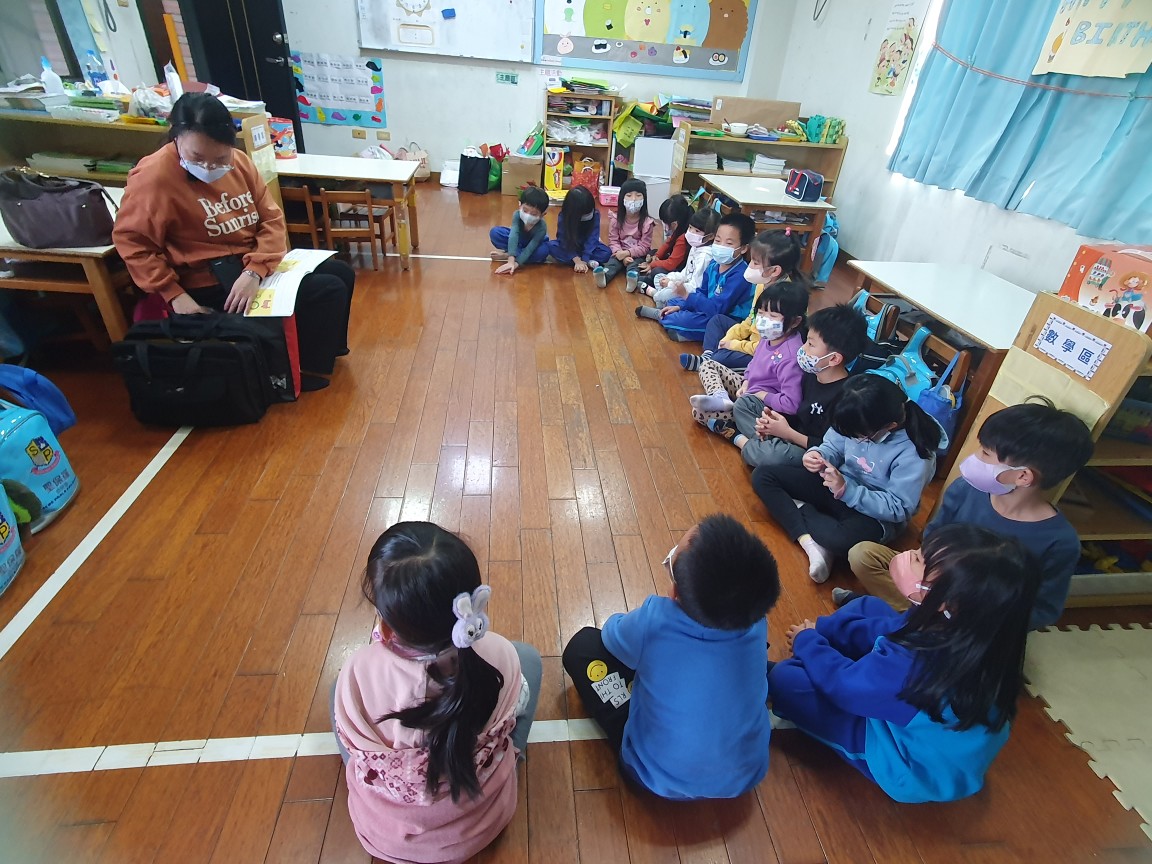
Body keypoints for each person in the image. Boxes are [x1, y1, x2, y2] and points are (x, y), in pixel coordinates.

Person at [770, 524, 1040, 803]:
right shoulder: (969, 630)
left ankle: (814, 673)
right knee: (869, 607)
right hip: (925, 722)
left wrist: (808, 643)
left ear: (947, 601)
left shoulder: (918, 665)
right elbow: (895, 629)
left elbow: (844, 688)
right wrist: (823, 630)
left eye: (919, 560)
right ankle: (831, 654)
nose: (909, 554)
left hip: (912, 768)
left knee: (785, 680)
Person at [333, 522, 543, 864]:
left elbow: (354, 742)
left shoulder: (358, 670)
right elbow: (516, 703)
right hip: (482, 823)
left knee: (336, 695)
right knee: (529, 658)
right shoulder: (500, 654)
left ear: (385, 625)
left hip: (387, 837)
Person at [112, 92, 353, 389]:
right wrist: (174, 295)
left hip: (247, 266)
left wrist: (255, 270)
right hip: (206, 279)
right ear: (176, 138)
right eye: (197, 158)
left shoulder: (239, 162)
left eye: (220, 158)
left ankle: (316, 356)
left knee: (341, 272)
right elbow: (134, 243)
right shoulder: (154, 177)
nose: (209, 167)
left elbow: (271, 219)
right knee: (326, 289)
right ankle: (292, 373)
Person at [562, 514, 780, 799]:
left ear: (675, 591)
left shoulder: (655, 619)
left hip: (653, 777)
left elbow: (611, 637)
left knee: (582, 647)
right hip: (745, 776)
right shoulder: (757, 623)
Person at [845, 397, 1093, 629]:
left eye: (985, 453)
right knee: (863, 555)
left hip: (973, 618)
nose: (975, 457)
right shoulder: (966, 489)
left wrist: (970, 611)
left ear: (1023, 476)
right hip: (932, 582)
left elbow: (1044, 609)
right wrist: (924, 573)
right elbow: (933, 534)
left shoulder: (1058, 541)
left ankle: (903, 616)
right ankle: (912, 615)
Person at [753, 374, 940, 584]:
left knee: (840, 541)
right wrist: (818, 455)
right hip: (834, 484)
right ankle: (810, 542)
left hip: (873, 514)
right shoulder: (855, 415)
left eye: (857, 436)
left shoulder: (917, 454)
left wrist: (847, 490)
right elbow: (832, 445)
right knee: (763, 475)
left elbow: (898, 508)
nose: (851, 438)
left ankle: (798, 511)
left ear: (889, 426)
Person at [714, 302, 867, 468]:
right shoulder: (811, 373)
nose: (802, 348)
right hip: (788, 432)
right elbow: (792, 408)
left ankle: (739, 439)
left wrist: (788, 433)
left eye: (811, 344)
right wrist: (771, 420)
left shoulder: (845, 398)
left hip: (811, 450)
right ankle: (760, 443)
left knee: (768, 457)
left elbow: (830, 449)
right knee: (745, 403)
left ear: (834, 359)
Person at [679, 229, 804, 372]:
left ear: (774, 270)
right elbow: (751, 319)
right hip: (751, 339)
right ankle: (708, 358)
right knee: (717, 321)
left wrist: (734, 345)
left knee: (723, 356)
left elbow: (766, 345)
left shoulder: (785, 298)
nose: (750, 266)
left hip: (765, 351)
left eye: (755, 263)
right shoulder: (762, 284)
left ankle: (713, 361)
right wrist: (730, 338)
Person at [691, 279, 807, 431]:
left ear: (795, 322)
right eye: (761, 313)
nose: (764, 320)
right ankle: (721, 397)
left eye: (773, 315)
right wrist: (746, 382)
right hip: (750, 389)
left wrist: (761, 395)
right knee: (707, 365)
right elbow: (753, 364)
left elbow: (791, 404)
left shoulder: (790, 356)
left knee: (700, 413)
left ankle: (740, 427)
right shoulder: (769, 337)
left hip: (762, 406)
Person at [651, 212, 756, 343]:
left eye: (729, 243)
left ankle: (679, 327)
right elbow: (702, 292)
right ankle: (680, 327)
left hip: (725, 319)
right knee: (674, 303)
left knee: (679, 318)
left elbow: (718, 310)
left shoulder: (741, 276)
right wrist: (681, 306)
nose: (721, 246)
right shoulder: (714, 264)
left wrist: (687, 296)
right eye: (718, 240)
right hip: (709, 308)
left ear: (744, 248)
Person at [637, 207, 720, 311]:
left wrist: (671, 284)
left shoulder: (705, 257)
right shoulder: (696, 246)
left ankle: (655, 294)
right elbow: (685, 272)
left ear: (710, 236)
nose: (691, 232)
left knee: (665, 293)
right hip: (683, 284)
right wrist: (670, 278)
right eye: (690, 227)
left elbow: (695, 287)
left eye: (697, 231)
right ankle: (662, 300)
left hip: (690, 292)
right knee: (659, 277)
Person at [594, 178, 655, 288]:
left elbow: (645, 246)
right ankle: (604, 276)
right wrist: (620, 254)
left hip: (637, 255)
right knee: (612, 263)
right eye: (629, 195)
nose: (633, 199)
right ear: (622, 198)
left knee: (634, 265)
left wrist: (627, 253)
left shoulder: (647, 223)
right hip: (619, 253)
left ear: (644, 199)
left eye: (638, 195)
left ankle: (632, 280)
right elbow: (613, 240)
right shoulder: (615, 219)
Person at [544, 185, 612, 274]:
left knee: (606, 253)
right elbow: (563, 240)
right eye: (585, 214)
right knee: (550, 246)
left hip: (587, 247)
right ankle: (587, 262)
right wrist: (576, 259)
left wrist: (585, 259)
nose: (588, 214)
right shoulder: (564, 217)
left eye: (590, 211)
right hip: (570, 246)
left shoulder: (595, 214)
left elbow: (592, 238)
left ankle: (582, 262)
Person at [633, 194, 692, 292]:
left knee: (657, 271)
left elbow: (671, 264)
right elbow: (667, 244)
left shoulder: (683, 238)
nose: (663, 225)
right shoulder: (679, 228)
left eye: (664, 222)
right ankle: (648, 277)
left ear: (674, 224)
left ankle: (649, 281)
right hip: (675, 261)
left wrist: (653, 264)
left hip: (679, 270)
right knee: (653, 252)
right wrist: (657, 256)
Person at [489, 185, 550, 275]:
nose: (528, 215)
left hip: (533, 245)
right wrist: (510, 260)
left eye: (534, 214)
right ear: (520, 205)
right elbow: (514, 234)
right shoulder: (517, 215)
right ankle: (513, 253)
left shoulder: (542, 227)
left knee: (543, 251)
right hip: (518, 240)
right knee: (495, 233)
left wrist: (515, 264)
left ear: (542, 214)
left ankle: (508, 254)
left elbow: (530, 248)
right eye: (525, 210)